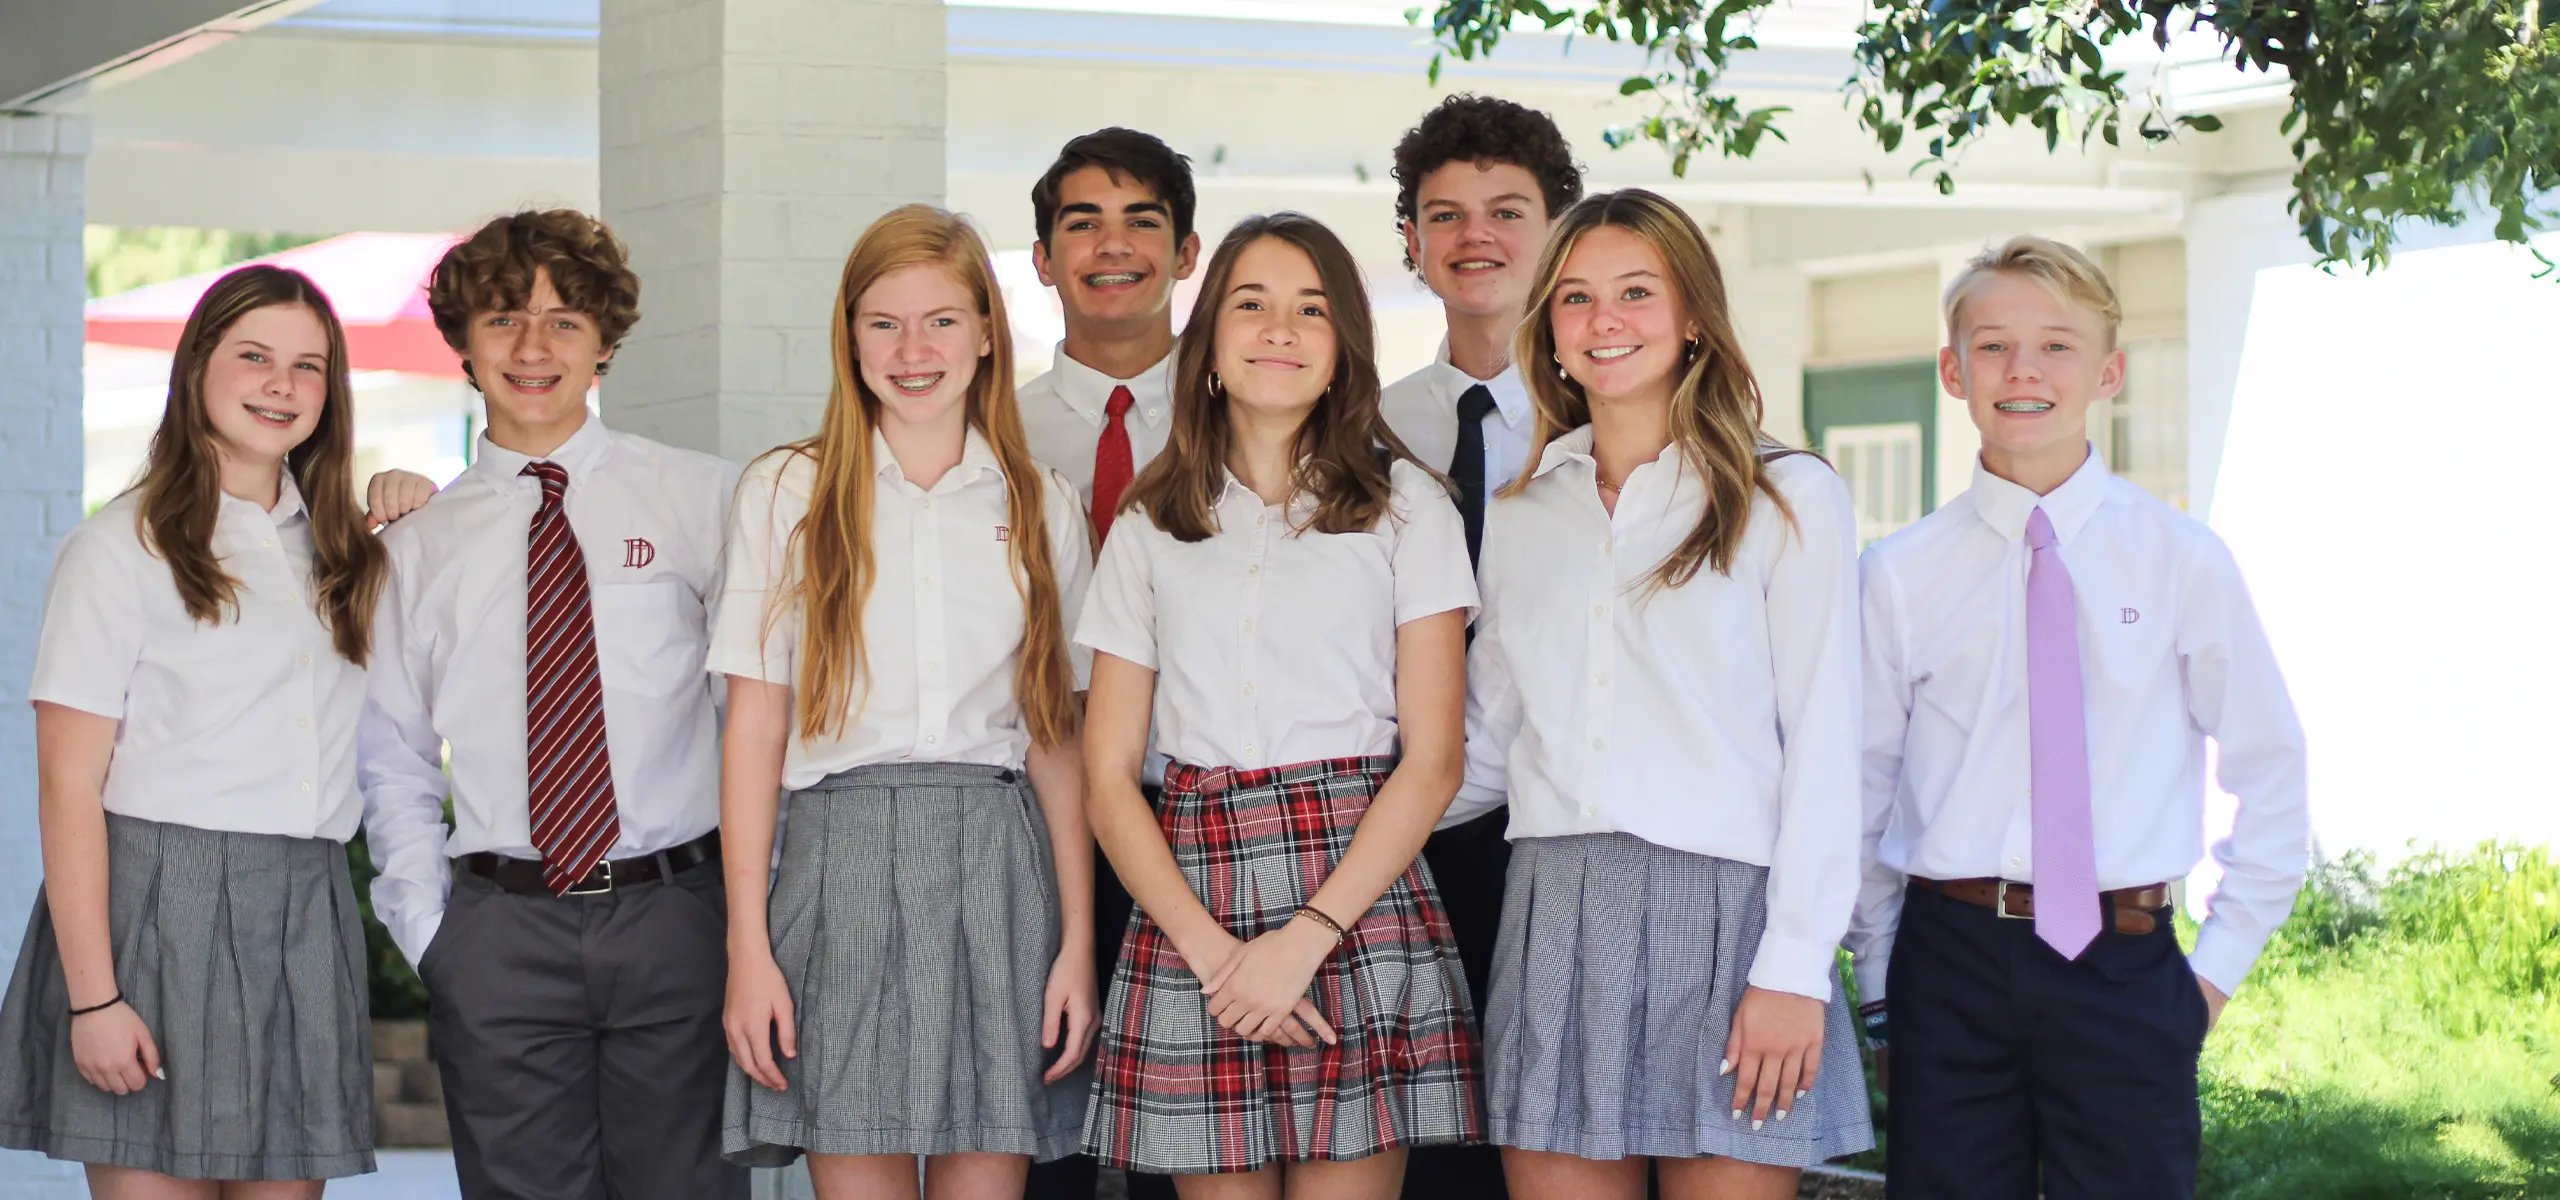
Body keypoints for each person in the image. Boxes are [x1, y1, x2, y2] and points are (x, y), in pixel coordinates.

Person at [1844, 236, 2307, 1200]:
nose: (2023, 371)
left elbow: (2272, 769)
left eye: (2057, 346)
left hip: (2125, 963)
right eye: (1993, 346)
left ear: (2109, 372)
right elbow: (1862, 794)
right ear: (1951, 369)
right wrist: (1884, 985)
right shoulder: (1897, 575)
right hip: (1951, 963)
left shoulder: (2182, 560)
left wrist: (2210, 977)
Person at [1447, 189, 1875, 1199]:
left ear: (1692, 319)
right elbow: (1484, 742)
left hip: (1733, 920)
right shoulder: (1522, 512)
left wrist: (1796, 966)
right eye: (1577, 298)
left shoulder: (1787, 496)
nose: (1605, 321)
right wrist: (1337, 841)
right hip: (1556, 915)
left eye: (1637, 293)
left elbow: (1826, 747)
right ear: (1545, 329)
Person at [1078, 212, 1484, 1199]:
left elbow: (1433, 760)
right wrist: (1218, 959)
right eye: (1251, 305)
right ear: (1208, 343)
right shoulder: (1148, 525)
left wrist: (1304, 938)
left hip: (1355, 890)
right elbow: (1104, 777)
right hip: (1194, 900)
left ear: (1343, 348)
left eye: (1310, 310)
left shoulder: (1408, 508)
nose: (1279, 329)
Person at [711, 204, 1098, 1200]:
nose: (913, 348)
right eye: (883, 321)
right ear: (849, 336)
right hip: (838, 864)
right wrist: (746, 948)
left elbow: (1059, 741)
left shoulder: (1040, 503)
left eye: (940, 320)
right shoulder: (785, 493)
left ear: (984, 334)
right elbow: (752, 729)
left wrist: (1077, 946)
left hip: (998, 866)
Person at [359, 209, 748, 1200]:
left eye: (564, 321)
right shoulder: (416, 545)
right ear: (463, 342)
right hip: (500, 929)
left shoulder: (705, 502)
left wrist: (752, 910)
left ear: (604, 345)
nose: (532, 348)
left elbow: (755, 719)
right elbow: (393, 753)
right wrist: (429, 931)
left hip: (678, 916)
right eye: (502, 319)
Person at [0, 264, 387, 1197]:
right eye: (254, 357)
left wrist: (410, 498)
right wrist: (95, 997)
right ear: (196, 367)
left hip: (305, 908)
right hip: (152, 912)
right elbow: (66, 788)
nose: (281, 386)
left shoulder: (349, 551)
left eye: (308, 367)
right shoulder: (117, 548)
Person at [1377, 96, 1583, 1198]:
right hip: (1403, 832)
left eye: (1507, 210)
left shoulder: (1612, 425)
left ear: (1558, 228)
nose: (1475, 237)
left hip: (1558, 827)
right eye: (1444, 214)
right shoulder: (1365, 425)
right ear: (1409, 241)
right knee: (1433, 1157)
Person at [1013, 127, 1199, 1200]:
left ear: (1185, 255)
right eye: (1081, 223)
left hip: (1194, 816)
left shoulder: (1251, 423)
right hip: (1033, 827)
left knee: (1195, 1138)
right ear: (1042, 258)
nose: (1111, 246)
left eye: (1143, 222)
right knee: (1043, 1133)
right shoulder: (985, 431)